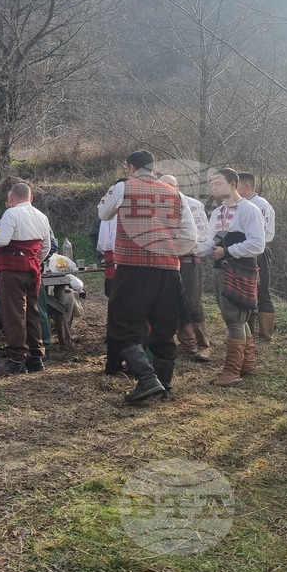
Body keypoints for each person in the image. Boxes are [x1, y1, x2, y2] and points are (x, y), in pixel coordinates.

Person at [97, 151, 197, 402]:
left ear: (131, 167)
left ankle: (147, 378)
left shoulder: (123, 187)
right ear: (154, 168)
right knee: (164, 328)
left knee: (123, 325)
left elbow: (103, 214)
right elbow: (190, 237)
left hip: (133, 268)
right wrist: (167, 251)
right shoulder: (176, 193)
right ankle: (165, 385)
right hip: (168, 269)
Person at [201, 169, 265, 386]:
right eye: (211, 183)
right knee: (238, 318)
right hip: (220, 269)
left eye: (218, 183)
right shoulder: (218, 212)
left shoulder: (249, 209)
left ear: (233, 183)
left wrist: (227, 252)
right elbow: (211, 243)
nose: (213, 187)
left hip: (240, 269)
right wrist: (187, 250)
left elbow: (258, 244)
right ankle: (247, 365)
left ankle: (231, 372)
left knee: (234, 319)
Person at [0, 183, 52, 375]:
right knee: (32, 311)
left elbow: (2, 239)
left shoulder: (11, 214)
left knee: (14, 313)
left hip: (12, 269)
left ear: (12, 198)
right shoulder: (42, 216)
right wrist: (34, 261)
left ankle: (16, 358)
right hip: (32, 269)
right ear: (30, 197)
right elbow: (46, 247)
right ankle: (35, 356)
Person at [159, 175, 211, 362]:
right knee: (167, 301)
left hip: (188, 258)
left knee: (191, 301)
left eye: (170, 185)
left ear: (177, 186)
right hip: (165, 260)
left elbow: (203, 233)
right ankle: (184, 342)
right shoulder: (157, 205)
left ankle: (203, 345)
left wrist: (187, 249)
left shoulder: (193, 204)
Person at [237, 172, 276, 342]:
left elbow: (256, 233)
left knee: (262, 291)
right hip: (244, 251)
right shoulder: (242, 204)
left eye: (236, 185)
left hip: (258, 252)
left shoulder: (260, 204)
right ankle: (249, 333)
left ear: (247, 185)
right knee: (246, 292)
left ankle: (266, 335)